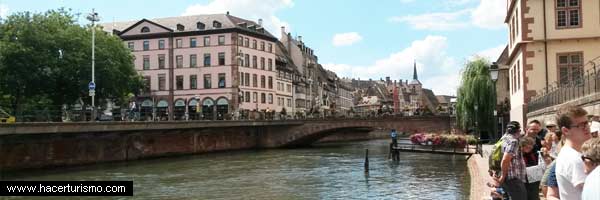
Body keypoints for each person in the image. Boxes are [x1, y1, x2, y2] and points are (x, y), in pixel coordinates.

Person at [554, 106, 592, 200]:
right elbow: (594, 191)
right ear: (565, 131)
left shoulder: (576, 154)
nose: (586, 127)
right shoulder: (573, 159)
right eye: (581, 125)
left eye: (587, 123)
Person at [493, 121, 527, 200]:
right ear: (518, 130)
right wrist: (503, 176)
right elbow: (505, 159)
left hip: (504, 177)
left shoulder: (503, 139)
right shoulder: (513, 141)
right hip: (512, 177)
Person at [520, 136, 541, 200]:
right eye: (527, 145)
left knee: (534, 196)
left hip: (533, 180)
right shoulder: (518, 154)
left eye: (531, 145)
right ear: (522, 145)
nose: (530, 147)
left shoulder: (534, 153)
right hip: (523, 180)